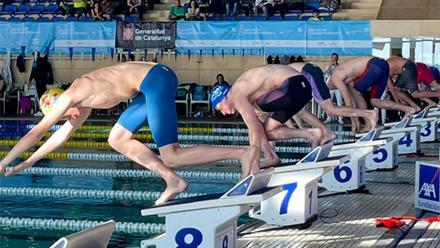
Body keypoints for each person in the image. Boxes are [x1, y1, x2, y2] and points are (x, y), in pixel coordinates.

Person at [0, 62, 259, 205]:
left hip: (155, 80)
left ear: (58, 106)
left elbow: (38, 132)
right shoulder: (83, 106)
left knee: (172, 155)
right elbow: (61, 136)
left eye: (65, 116)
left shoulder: (74, 95)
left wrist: (4, 161)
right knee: (117, 138)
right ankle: (173, 181)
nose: (71, 119)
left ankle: (242, 152)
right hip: (152, 82)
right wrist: (30, 161)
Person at [210, 64, 334, 168]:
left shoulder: (237, 94)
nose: (223, 113)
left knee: (256, 126)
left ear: (225, 97)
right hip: (299, 89)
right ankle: (313, 134)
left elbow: (255, 130)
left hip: (292, 87)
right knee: (267, 131)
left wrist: (252, 165)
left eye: (220, 107)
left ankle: (268, 158)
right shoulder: (245, 91)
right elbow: (257, 128)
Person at [328, 56, 417, 131]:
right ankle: (408, 109)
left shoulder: (335, 76)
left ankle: (368, 124)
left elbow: (348, 101)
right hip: (383, 65)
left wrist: (354, 122)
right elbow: (351, 99)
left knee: (356, 93)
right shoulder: (344, 77)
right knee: (375, 101)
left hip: (374, 64)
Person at [288, 62, 377, 133]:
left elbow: (280, 115)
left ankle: (369, 114)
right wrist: (300, 129)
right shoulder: (279, 74)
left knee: (330, 109)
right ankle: (326, 132)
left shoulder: (276, 80)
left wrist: (354, 121)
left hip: (307, 73)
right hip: (307, 72)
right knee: (300, 110)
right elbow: (291, 111)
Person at [323, 52, 344, 124]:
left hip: (338, 87)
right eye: (333, 58)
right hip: (330, 87)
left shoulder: (340, 66)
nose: (334, 59)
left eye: (335, 58)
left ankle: (340, 119)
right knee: (329, 103)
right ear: (331, 58)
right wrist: (330, 65)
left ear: (337, 59)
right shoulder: (328, 66)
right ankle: (329, 118)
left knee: (339, 103)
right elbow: (326, 73)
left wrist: (336, 65)